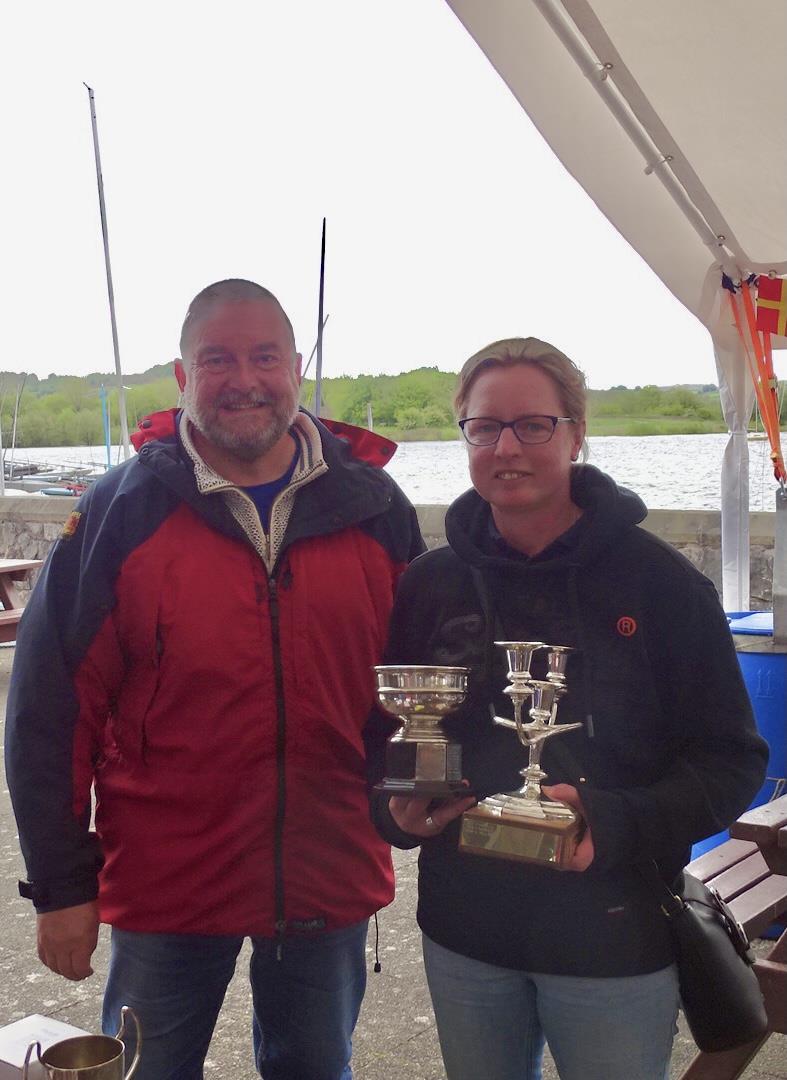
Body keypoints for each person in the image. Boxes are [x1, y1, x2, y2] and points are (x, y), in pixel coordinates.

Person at [5, 278, 424, 1080]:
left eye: (264, 356)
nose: (243, 379)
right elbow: (49, 712)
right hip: (168, 876)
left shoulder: (373, 506)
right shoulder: (117, 514)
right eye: (217, 359)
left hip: (326, 869)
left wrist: (408, 804)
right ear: (182, 377)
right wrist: (61, 887)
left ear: (295, 367)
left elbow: (408, 690)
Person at [370, 337, 768, 1080]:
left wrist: (612, 820)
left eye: (534, 425)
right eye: (484, 427)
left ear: (576, 434)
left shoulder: (660, 584)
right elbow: (384, 734)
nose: (506, 446)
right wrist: (389, 806)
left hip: (612, 937)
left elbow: (732, 758)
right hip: (464, 933)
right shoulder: (430, 583)